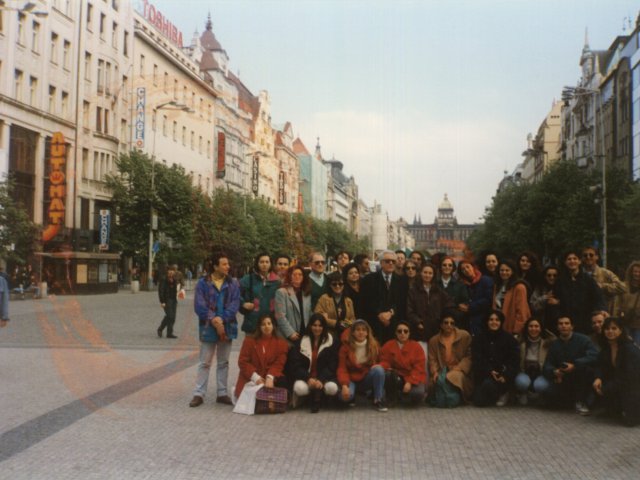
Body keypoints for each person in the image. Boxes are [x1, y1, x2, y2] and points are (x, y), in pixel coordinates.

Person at [190, 252, 240, 407]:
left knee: (223, 362)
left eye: (228, 264)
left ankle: (222, 393)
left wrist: (222, 319)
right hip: (208, 327)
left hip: (227, 327)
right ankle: (199, 393)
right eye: (224, 264)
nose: (228, 267)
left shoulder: (233, 284)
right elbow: (199, 306)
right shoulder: (203, 283)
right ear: (215, 266)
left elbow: (235, 304)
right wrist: (214, 319)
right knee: (204, 362)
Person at [542, 316, 598, 415]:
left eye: (567, 323)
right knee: (547, 395)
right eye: (561, 324)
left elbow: (594, 356)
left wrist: (575, 365)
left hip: (581, 376)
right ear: (557, 327)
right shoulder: (554, 344)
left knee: (586, 371)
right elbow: (547, 364)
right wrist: (554, 371)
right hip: (562, 378)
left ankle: (581, 401)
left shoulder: (584, 340)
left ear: (572, 326)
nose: (564, 326)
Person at [593, 317, 640, 426]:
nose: (610, 331)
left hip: (633, 386)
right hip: (618, 383)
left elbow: (630, 376)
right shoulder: (606, 348)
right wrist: (598, 378)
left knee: (630, 422)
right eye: (607, 329)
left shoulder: (629, 349)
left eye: (614, 328)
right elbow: (600, 366)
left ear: (621, 330)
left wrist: (607, 387)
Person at [289, 313, 339, 413]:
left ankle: (321, 396)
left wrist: (321, 379)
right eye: (314, 325)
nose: (317, 328)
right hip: (307, 377)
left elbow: (332, 365)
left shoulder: (331, 341)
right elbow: (295, 365)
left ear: (324, 327)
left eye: (320, 326)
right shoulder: (301, 341)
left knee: (332, 388)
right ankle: (311, 396)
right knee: (299, 388)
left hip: (323, 379)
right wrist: (308, 378)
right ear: (310, 326)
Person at [234, 314, 289, 400]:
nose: (266, 326)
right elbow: (242, 362)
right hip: (251, 377)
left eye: (269, 323)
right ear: (259, 327)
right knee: (249, 400)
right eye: (263, 324)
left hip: (269, 377)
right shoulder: (249, 342)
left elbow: (279, 363)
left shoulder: (281, 344)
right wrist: (256, 378)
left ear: (273, 326)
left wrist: (270, 377)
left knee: (282, 384)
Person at [337, 319, 388, 411]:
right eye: (358, 330)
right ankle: (352, 396)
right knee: (344, 398)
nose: (361, 332)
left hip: (366, 377)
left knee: (379, 370)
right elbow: (342, 369)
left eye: (364, 330)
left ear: (367, 333)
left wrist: (380, 365)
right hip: (351, 379)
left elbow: (385, 361)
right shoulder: (345, 348)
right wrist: (344, 385)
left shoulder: (374, 346)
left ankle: (378, 399)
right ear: (352, 333)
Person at [472, 310, 520, 407]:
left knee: (489, 387)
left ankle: (504, 392)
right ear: (487, 322)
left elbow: (514, 360)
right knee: (479, 401)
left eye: (497, 320)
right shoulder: (479, 338)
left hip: (503, 375)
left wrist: (506, 374)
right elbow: (477, 359)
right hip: (486, 373)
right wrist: (489, 370)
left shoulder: (509, 339)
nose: (494, 322)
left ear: (501, 322)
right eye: (491, 320)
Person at [360, 250, 409, 343]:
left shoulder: (402, 281)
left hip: (394, 326)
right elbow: (365, 302)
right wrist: (379, 314)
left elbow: (402, 302)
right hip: (374, 325)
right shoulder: (369, 279)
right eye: (387, 261)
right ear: (381, 263)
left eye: (393, 261)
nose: (391, 263)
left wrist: (390, 313)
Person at [556, 250, 607, 335]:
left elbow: (599, 297)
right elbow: (556, 299)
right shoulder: (560, 281)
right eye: (569, 259)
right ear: (565, 262)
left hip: (585, 321)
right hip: (567, 323)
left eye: (574, 259)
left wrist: (601, 311)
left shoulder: (588, 280)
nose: (572, 261)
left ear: (579, 261)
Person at [428, 312, 473, 404]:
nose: (449, 325)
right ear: (441, 325)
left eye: (452, 323)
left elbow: (469, 356)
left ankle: (456, 397)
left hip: (459, 370)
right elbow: (432, 359)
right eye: (446, 322)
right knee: (434, 382)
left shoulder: (464, 336)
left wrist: (460, 367)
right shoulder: (434, 340)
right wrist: (435, 372)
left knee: (453, 377)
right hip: (442, 370)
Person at [380, 320, 427, 405]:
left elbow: (419, 368)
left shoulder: (416, 347)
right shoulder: (388, 345)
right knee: (387, 374)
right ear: (395, 333)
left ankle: (403, 395)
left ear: (409, 333)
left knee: (418, 394)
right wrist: (385, 368)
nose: (402, 333)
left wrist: (410, 381)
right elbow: (384, 361)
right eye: (399, 331)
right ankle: (391, 396)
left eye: (405, 331)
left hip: (412, 376)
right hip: (396, 377)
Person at [407, 263, 453, 342]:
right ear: (421, 273)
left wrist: (441, 321)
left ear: (433, 275)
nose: (427, 275)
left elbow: (448, 305)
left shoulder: (439, 291)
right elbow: (409, 310)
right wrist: (418, 322)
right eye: (425, 272)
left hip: (436, 330)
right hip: (419, 331)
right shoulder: (413, 291)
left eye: (430, 273)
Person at [514, 318, 555, 405]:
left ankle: (540, 394)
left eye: (536, 326)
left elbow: (555, 338)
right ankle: (523, 393)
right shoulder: (521, 342)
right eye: (531, 326)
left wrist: (545, 331)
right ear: (527, 328)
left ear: (541, 329)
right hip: (524, 371)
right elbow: (515, 338)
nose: (533, 329)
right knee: (522, 382)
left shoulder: (546, 343)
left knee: (541, 385)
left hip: (540, 372)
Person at [239, 253, 281, 335]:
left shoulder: (277, 281)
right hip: (252, 322)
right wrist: (243, 303)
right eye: (261, 262)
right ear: (257, 264)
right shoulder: (248, 279)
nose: (264, 264)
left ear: (270, 264)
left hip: (270, 323)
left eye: (267, 262)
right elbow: (235, 295)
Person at [275, 265, 312, 345]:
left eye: (300, 274)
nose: (297, 277)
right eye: (294, 274)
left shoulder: (306, 293)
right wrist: (290, 333)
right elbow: (280, 316)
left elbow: (309, 313)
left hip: (304, 335)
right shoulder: (282, 292)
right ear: (289, 276)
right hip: (289, 336)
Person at [582, 246, 627, 312]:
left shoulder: (605, 273)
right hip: (584, 311)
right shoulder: (579, 274)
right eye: (585, 255)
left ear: (596, 257)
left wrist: (603, 286)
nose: (588, 257)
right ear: (582, 258)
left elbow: (622, 287)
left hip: (602, 312)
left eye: (591, 255)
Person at [492, 259, 531, 335]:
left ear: (512, 271)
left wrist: (517, 330)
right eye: (502, 270)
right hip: (498, 325)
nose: (504, 272)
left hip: (511, 327)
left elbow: (521, 311)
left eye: (507, 270)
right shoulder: (497, 286)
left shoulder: (519, 287)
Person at [457, 260, 494, 336]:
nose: (466, 270)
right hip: (469, 322)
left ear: (473, 267)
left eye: (467, 267)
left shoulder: (486, 280)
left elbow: (488, 299)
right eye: (463, 269)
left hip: (484, 320)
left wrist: (470, 307)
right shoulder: (463, 284)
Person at [314, 271, 355, 335]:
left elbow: (352, 320)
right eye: (334, 284)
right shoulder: (324, 298)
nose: (337, 286)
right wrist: (336, 323)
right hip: (328, 334)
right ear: (330, 285)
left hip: (346, 335)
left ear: (344, 285)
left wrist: (344, 324)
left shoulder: (348, 301)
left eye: (340, 284)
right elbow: (319, 317)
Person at [438, 256, 470, 329]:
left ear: (453, 268)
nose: (447, 267)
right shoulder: (434, 283)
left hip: (455, 321)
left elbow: (465, 303)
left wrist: (456, 315)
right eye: (444, 265)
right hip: (437, 320)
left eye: (450, 265)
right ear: (440, 267)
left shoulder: (460, 284)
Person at [613, 260, 640, 345]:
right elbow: (616, 305)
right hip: (624, 322)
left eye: (639, 272)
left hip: (638, 324)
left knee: (637, 347)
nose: (637, 274)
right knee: (624, 346)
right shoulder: (623, 286)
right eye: (635, 271)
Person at [530, 265, 561, 334]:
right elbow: (533, 305)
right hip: (543, 323)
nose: (552, 278)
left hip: (559, 325)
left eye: (554, 275)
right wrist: (544, 298)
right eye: (549, 275)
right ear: (545, 276)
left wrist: (558, 303)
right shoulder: (539, 288)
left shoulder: (563, 288)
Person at [157, 266, 179, 339]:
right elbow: (161, 291)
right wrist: (162, 301)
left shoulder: (175, 279)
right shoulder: (164, 279)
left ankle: (169, 333)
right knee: (169, 316)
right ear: (167, 272)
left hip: (174, 300)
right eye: (170, 271)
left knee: (173, 317)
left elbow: (176, 289)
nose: (171, 273)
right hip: (167, 300)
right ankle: (160, 329)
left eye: (172, 271)